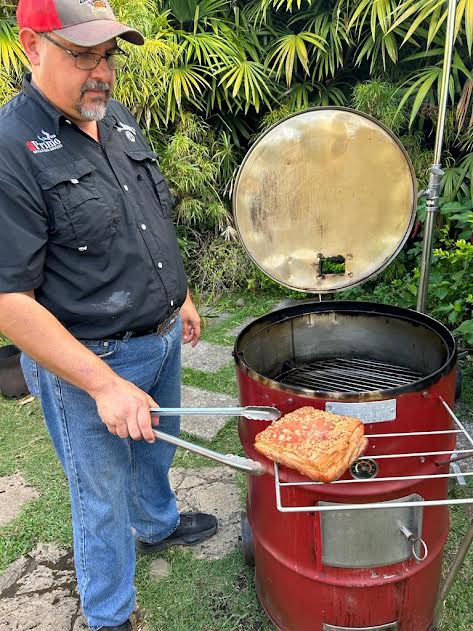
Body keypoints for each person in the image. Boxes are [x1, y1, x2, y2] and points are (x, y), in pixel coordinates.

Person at [0, 1, 218, 629]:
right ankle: (109, 614)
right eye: (82, 55)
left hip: (162, 335)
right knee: (99, 500)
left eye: (109, 55)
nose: (101, 71)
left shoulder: (113, 117)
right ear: (32, 46)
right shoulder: (12, 148)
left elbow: (147, 213)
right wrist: (102, 383)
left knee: (157, 453)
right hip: (90, 360)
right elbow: (9, 300)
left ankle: (157, 526)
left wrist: (180, 298)